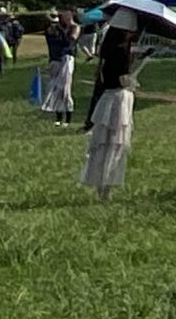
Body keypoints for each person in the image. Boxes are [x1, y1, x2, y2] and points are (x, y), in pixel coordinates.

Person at [81, 11, 139, 198]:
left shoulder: (108, 49)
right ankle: (106, 185)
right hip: (118, 99)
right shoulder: (121, 51)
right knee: (114, 143)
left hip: (109, 97)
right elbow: (122, 80)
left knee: (105, 143)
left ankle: (102, 186)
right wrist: (132, 79)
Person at [40, 10, 79, 126]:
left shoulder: (73, 28)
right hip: (55, 60)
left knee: (65, 90)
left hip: (66, 59)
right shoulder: (52, 31)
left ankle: (68, 118)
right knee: (55, 88)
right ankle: (58, 118)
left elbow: (69, 42)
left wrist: (61, 31)